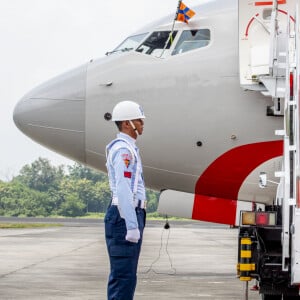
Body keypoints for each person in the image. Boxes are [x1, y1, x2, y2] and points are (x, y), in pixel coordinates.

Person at [104, 100, 147, 300]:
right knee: (123, 278)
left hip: (131, 214)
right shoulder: (123, 150)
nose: (142, 124)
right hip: (124, 216)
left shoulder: (129, 148)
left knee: (128, 277)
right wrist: (131, 224)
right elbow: (123, 189)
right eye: (139, 120)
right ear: (127, 123)